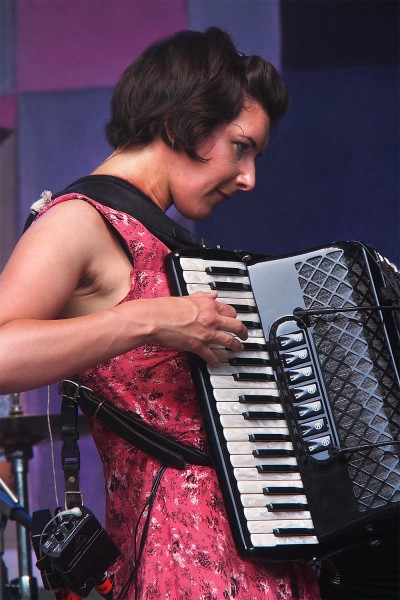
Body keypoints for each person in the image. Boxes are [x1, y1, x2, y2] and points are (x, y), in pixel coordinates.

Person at [0, 27, 321, 599]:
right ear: (180, 125)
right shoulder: (78, 220)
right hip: (177, 559)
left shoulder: (165, 237)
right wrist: (146, 319)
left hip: (261, 543)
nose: (249, 178)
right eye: (241, 146)